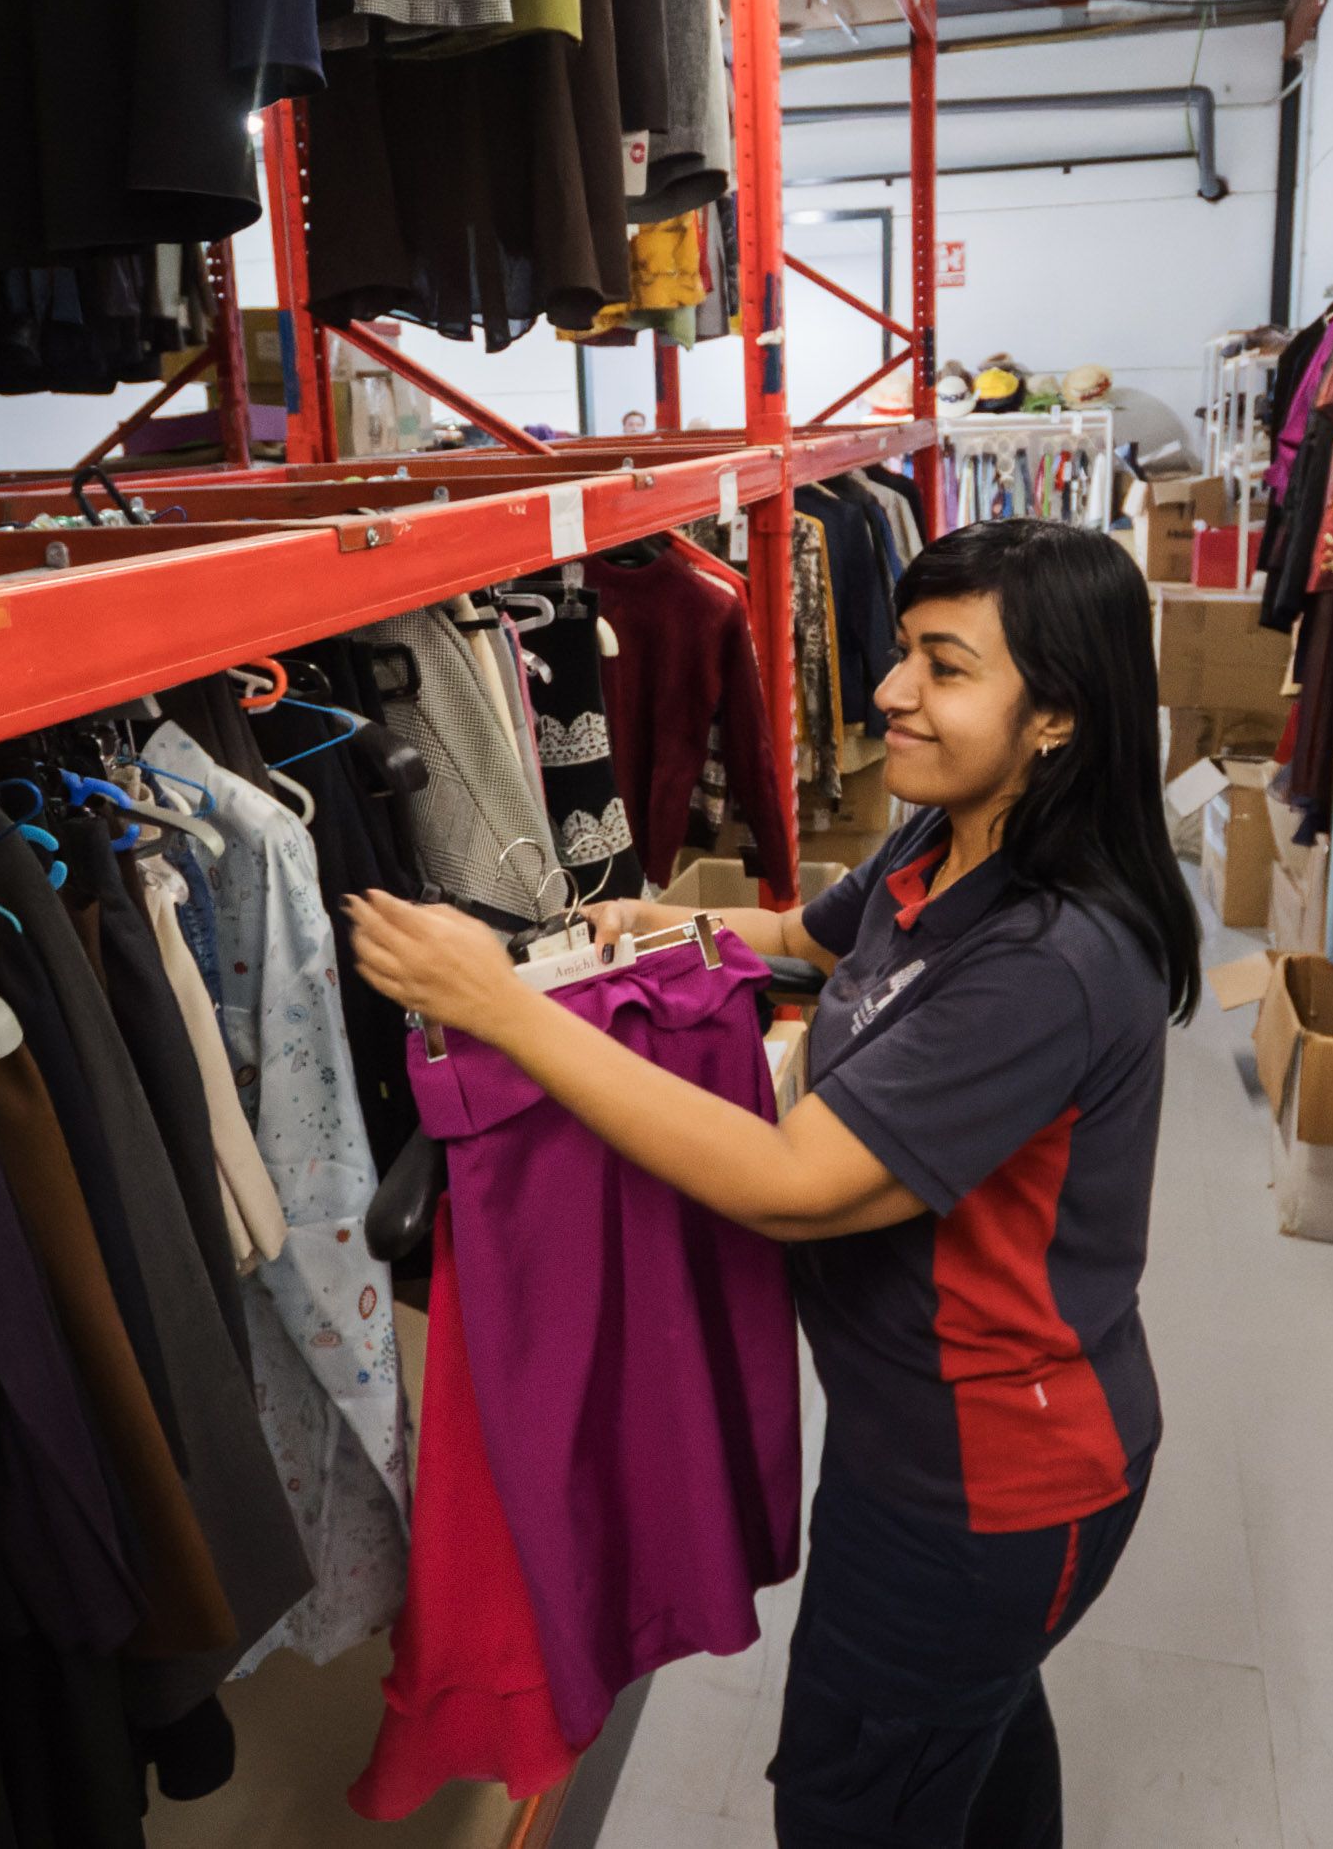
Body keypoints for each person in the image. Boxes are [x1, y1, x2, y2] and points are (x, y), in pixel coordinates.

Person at [345, 517, 1201, 1849]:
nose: (891, 692)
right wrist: (662, 927)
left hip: (988, 1477)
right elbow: (807, 934)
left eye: (947, 666)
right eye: (905, 650)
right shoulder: (949, 843)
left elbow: (794, 1184)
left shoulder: (1050, 961)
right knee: (968, 1746)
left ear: (1058, 719)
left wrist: (508, 1017)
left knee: (854, 1798)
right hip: (913, 1434)